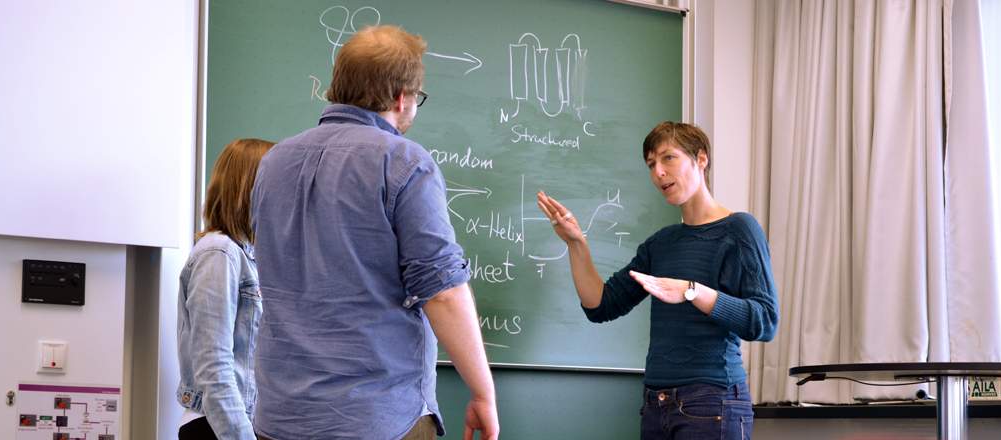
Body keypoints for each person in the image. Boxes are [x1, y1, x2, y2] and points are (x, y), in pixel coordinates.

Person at [250, 25, 499, 440]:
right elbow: (443, 291)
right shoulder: (403, 161)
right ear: (402, 98)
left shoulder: (273, 162)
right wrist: (483, 393)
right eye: (417, 98)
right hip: (376, 416)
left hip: (280, 417)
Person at [536, 122, 779, 439]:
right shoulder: (660, 244)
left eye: (668, 158)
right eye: (651, 164)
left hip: (712, 403)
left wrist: (692, 292)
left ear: (701, 159)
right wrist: (576, 243)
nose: (658, 173)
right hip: (656, 405)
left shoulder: (739, 230)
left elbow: (765, 321)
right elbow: (600, 305)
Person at [177, 138, 276, 440]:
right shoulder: (219, 253)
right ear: (253, 187)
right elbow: (213, 364)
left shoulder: (249, 255)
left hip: (238, 422)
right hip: (219, 427)